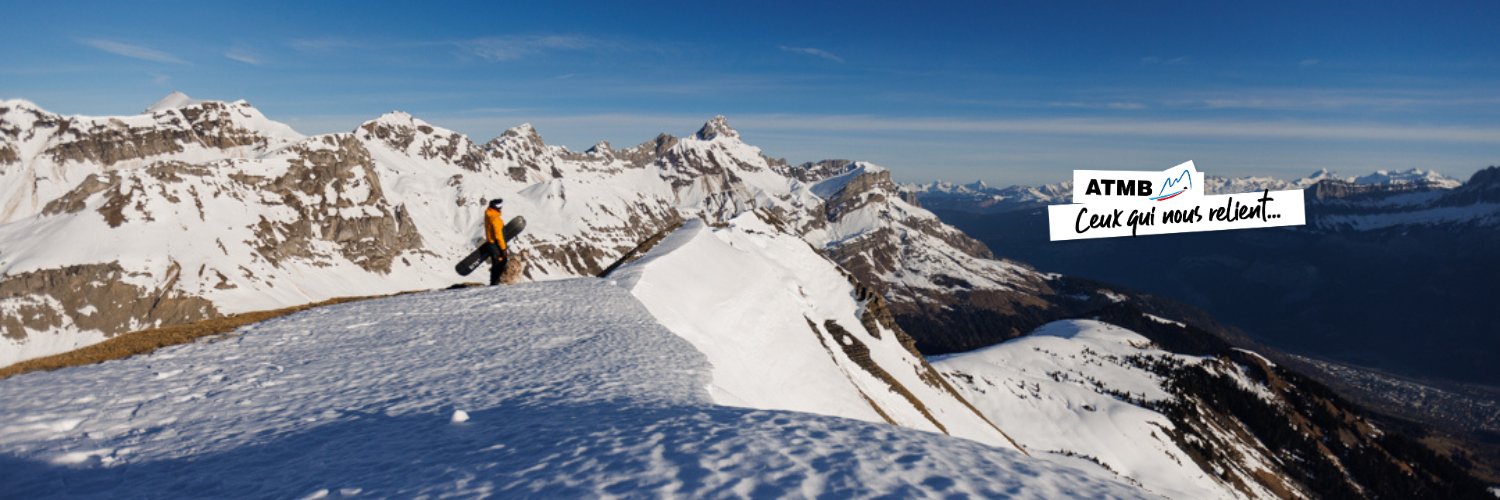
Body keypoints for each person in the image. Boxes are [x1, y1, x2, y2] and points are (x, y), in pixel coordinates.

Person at [483, 198, 508, 285]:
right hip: (495, 244)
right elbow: (498, 235)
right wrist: (503, 248)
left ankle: (494, 282)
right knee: (500, 263)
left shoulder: (488, 214)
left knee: (496, 263)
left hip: (490, 242)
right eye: (500, 206)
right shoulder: (495, 218)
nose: (501, 208)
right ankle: (495, 283)